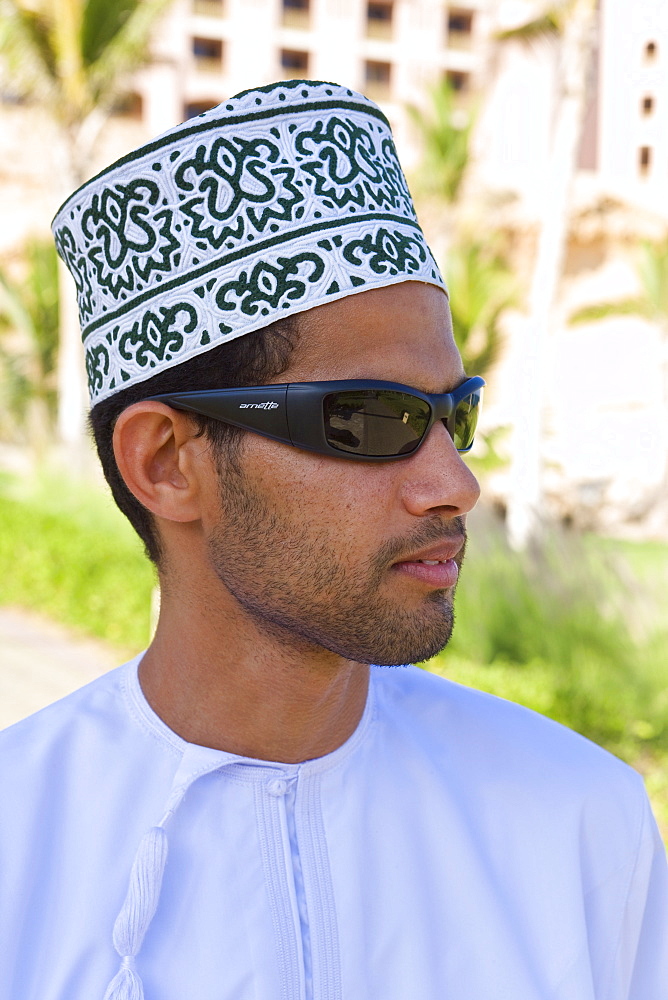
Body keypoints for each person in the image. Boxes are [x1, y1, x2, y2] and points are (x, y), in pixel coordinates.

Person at [1, 80, 666, 1000]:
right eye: (368, 419)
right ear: (166, 463)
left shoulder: (578, 824)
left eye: (451, 415)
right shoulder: (18, 849)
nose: (455, 484)